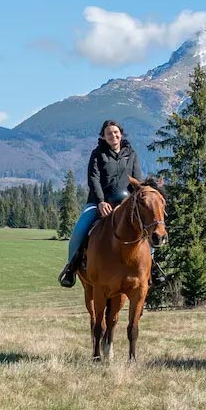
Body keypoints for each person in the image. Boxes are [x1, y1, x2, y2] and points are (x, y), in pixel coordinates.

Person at [59, 120, 142, 287]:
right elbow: (93, 179)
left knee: (145, 227)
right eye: (109, 133)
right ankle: (71, 268)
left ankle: (153, 267)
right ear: (103, 137)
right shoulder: (97, 154)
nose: (113, 135)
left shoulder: (131, 153)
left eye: (116, 132)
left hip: (125, 204)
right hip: (99, 202)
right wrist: (101, 202)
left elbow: (137, 179)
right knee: (79, 230)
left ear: (121, 134)